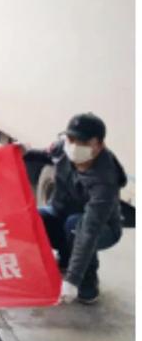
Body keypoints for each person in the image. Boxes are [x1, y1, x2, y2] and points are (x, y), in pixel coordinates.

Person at [33, 113, 126, 305]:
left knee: (76, 226)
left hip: (102, 228)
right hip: (62, 213)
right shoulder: (62, 148)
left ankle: (87, 280)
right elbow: (44, 155)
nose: (74, 146)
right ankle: (66, 257)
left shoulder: (105, 180)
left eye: (83, 142)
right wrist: (22, 151)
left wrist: (72, 280)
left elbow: (89, 229)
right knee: (34, 218)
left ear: (99, 145)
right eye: (71, 139)